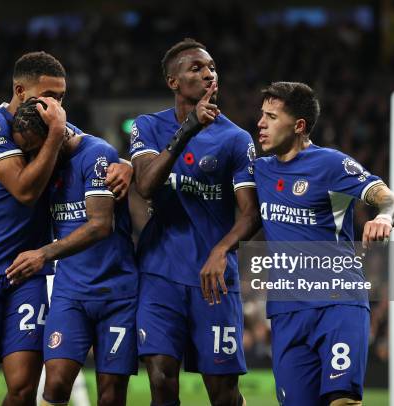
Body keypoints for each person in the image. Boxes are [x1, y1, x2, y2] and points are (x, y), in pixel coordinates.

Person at [0, 51, 131, 406]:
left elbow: (94, 150)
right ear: (20, 90)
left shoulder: (52, 128)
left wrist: (128, 166)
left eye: (62, 96)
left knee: (25, 387)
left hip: (28, 272)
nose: (58, 105)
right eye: (50, 96)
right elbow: (25, 190)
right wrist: (57, 133)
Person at [253, 81, 394, 406]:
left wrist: (383, 217)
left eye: (271, 117)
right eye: (261, 115)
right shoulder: (260, 170)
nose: (260, 124)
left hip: (337, 303)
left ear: (299, 126)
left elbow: (392, 200)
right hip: (287, 311)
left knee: (342, 401)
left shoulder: (332, 165)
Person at [130, 38, 260, 406]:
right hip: (159, 274)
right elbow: (145, 185)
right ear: (173, 81)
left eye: (212, 68)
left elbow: (251, 213)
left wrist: (221, 251)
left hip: (213, 278)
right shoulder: (148, 126)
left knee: (223, 393)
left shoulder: (236, 139)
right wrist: (187, 129)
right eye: (196, 68)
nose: (208, 74)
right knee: (161, 378)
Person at [4, 98, 139, 406]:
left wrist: (43, 254)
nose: (32, 158)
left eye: (35, 149)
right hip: (70, 293)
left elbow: (100, 225)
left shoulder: (97, 153)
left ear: (57, 135)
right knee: (55, 384)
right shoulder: (46, 168)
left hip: (116, 293)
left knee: (111, 394)